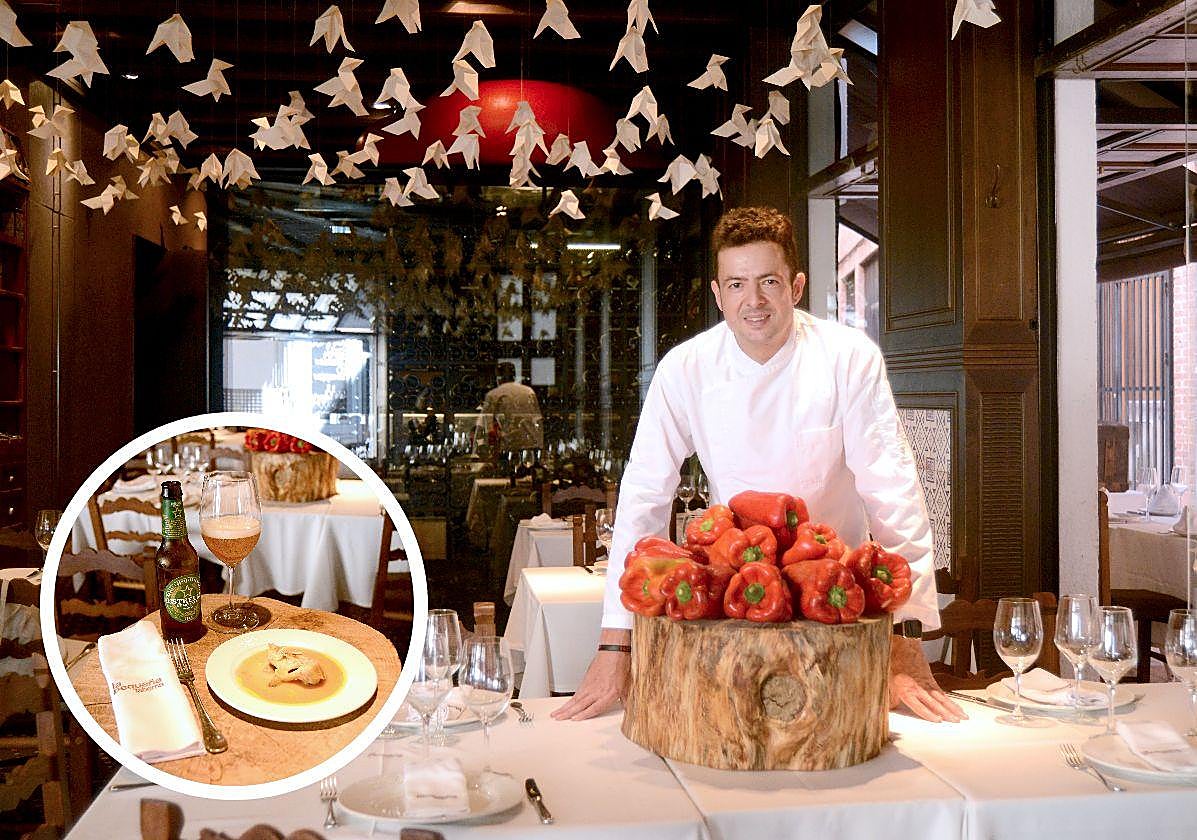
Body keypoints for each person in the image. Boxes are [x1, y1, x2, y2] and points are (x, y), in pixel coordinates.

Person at [552, 207, 965, 724]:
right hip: (738, 602)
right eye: (738, 283)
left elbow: (894, 493)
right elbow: (643, 496)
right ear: (717, 293)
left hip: (837, 607)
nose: (754, 301)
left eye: (768, 281)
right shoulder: (686, 368)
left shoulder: (848, 358)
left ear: (795, 286)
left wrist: (906, 641)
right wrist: (617, 646)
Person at [476, 362, 544, 452]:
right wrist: (540, 444)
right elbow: (538, 420)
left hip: (509, 444)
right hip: (531, 443)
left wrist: (479, 447)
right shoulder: (529, 391)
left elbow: (482, 424)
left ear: (498, 377)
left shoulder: (494, 394)